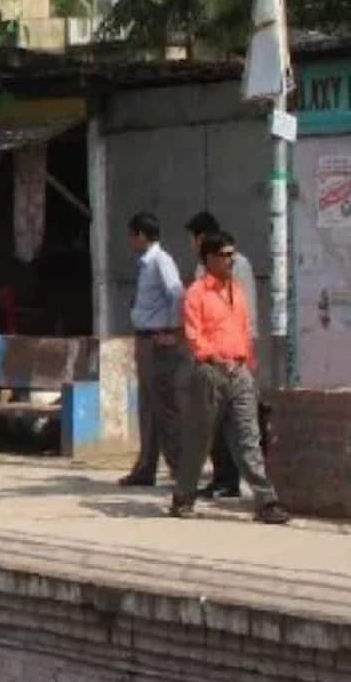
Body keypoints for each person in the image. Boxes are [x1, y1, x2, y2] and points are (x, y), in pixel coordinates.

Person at [173, 231, 290, 524]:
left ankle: (266, 502)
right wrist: (215, 359)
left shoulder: (236, 291)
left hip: (239, 373)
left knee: (248, 439)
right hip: (210, 374)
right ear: (209, 258)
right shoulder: (196, 294)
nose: (230, 260)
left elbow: (242, 330)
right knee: (200, 439)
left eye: (232, 255)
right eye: (224, 255)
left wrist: (246, 364)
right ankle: (183, 497)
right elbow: (193, 336)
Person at [185, 211, 257, 498]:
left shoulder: (237, 269)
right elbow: (196, 329)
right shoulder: (200, 282)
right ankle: (206, 484)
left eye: (192, 238)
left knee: (243, 432)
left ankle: (251, 490)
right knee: (208, 431)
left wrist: (247, 356)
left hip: (236, 362)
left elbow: (244, 314)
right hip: (212, 363)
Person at [120, 212, 186, 488]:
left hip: (158, 342)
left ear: (141, 236)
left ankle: (182, 469)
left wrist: (171, 331)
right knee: (148, 407)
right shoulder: (146, 264)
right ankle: (146, 467)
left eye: (132, 236)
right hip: (146, 339)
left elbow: (177, 293)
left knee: (164, 407)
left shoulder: (161, 261)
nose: (130, 242)